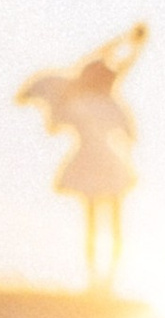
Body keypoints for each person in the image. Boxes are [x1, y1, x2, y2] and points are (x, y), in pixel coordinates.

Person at [15, 23, 149, 289]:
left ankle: (101, 279)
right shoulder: (109, 106)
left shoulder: (80, 104)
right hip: (106, 163)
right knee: (109, 222)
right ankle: (103, 279)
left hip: (93, 161)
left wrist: (128, 41)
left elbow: (98, 61)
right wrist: (132, 42)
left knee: (96, 222)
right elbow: (112, 66)